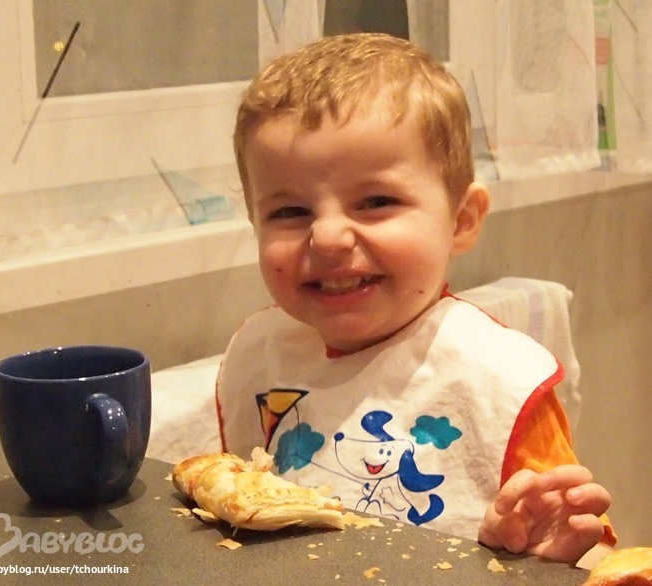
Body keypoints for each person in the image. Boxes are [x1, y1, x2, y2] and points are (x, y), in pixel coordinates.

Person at [215, 32, 614, 566]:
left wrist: (543, 552)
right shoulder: (262, 355)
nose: (328, 237)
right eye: (289, 212)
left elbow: (585, 546)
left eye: (376, 201)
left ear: (461, 221)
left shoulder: (491, 379)